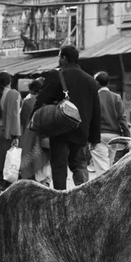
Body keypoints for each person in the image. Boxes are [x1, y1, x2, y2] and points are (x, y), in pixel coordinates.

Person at [32, 45, 101, 190]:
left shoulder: (56, 75)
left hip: (59, 130)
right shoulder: (90, 80)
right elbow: (96, 110)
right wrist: (94, 138)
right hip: (81, 131)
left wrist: (36, 120)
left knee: (59, 167)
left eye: (59, 56)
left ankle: (60, 198)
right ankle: (83, 197)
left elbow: (41, 100)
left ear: (64, 58)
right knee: (80, 165)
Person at [90, 71, 130, 176]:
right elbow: (122, 118)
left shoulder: (93, 97)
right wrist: (127, 136)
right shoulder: (116, 97)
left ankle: (104, 189)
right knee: (110, 163)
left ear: (97, 83)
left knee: (102, 166)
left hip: (99, 135)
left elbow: (89, 118)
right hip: (114, 136)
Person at [20, 78, 51, 186]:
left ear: (32, 90)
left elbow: (23, 120)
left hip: (30, 135)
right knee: (45, 161)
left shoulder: (27, 102)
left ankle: (36, 184)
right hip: (45, 135)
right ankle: (45, 182)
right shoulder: (49, 101)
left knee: (32, 163)